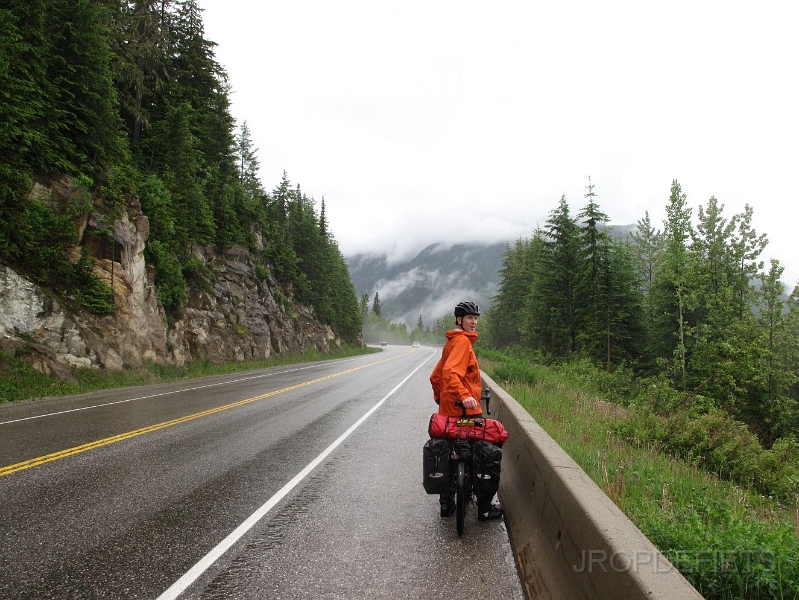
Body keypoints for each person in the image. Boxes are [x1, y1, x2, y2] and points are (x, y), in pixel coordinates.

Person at [429, 301, 503, 521]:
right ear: (459, 320)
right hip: (467, 413)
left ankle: (446, 503)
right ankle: (484, 508)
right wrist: (465, 396)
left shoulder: (450, 343)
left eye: (476, 318)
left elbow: (436, 377)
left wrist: (442, 400)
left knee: (448, 450)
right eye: (470, 318)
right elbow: (451, 373)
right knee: (480, 451)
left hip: (448, 414)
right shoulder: (462, 342)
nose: (474, 322)